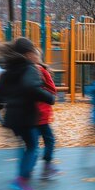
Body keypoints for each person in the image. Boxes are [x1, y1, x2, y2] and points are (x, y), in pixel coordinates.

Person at [0, 38, 55, 190]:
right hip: (26, 115)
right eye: (34, 52)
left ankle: (23, 176)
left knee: (27, 146)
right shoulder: (29, 68)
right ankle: (21, 181)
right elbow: (30, 87)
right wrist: (49, 97)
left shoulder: (8, 71)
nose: (36, 56)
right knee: (32, 147)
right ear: (28, 54)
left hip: (12, 117)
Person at [35, 50, 60, 179]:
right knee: (49, 140)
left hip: (31, 111)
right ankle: (47, 166)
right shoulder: (41, 70)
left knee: (33, 140)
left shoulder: (26, 70)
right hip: (42, 111)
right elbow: (53, 89)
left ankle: (31, 164)